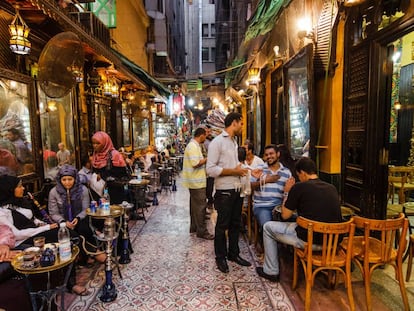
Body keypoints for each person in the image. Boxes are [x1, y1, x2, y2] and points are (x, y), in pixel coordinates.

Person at [255, 157, 343, 282]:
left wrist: (287, 192)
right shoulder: (332, 188)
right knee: (299, 223)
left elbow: (285, 215)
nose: (299, 178)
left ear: (302, 173)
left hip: (309, 241)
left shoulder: (299, 187)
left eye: (298, 175)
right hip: (331, 243)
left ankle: (271, 271)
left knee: (268, 227)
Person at [0, 174, 88, 295]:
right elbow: (16, 234)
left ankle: (70, 280)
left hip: (36, 232)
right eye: (19, 186)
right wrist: (46, 228)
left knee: (68, 237)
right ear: (9, 190)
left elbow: (33, 220)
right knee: (65, 238)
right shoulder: (2, 212)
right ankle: (67, 283)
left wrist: (42, 224)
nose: (23, 188)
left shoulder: (20, 202)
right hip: (24, 240)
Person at [206, 112, 251, 273]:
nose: (242, 126)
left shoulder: (234, 142)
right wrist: (234, 171)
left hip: (237, 189)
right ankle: (220, 257)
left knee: (235, 224)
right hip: (224, 191)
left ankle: (234, 254)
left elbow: (234, 165)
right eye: (241, 123)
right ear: (234, 122)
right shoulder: (217, 143)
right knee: (222, 225)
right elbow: (210, 169)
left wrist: (242, 169)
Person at [48, 165, 105, 263]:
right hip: (62, 221)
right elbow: (53, 213)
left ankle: (86, 254)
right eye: (64, 179)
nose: (67, 182)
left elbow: (86, 209)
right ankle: (91, 253)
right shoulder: (54, 192)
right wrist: (63, 221)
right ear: (59, 180)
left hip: (80, 218)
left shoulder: (82, 190)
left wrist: (77, 219)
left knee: (83, 228)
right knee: (67, 232)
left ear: (75, 179)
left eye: (70, 179)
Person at [182, 127, 214, 240]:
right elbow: (195, 163)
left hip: (195, 181)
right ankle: (202, 231)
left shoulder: (194, 146)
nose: (205, 138)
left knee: (195, 206)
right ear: (201, 135)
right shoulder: (193, 146)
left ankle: (194, 227)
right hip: (196, 182)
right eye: (205, 135)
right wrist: (207, 158)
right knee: (201, 207)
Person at [250, 144, 292, 227]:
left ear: (278, 154)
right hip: (262, 206)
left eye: (271, 153)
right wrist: (266, 180)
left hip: (279, 206)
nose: (269, 156)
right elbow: (249, 186)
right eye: (266, 155)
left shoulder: (286, 172)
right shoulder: (259, 169)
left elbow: (290, 192)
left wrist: (288, 190)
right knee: (267, 226)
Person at [91, 131, 129, 204]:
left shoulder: (115, 155)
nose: (95, 146)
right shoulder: (95, 155)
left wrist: (102, 176)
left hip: (114, 192)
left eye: (98, 143)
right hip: (99, 192)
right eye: (93, 143)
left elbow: (122, 175)